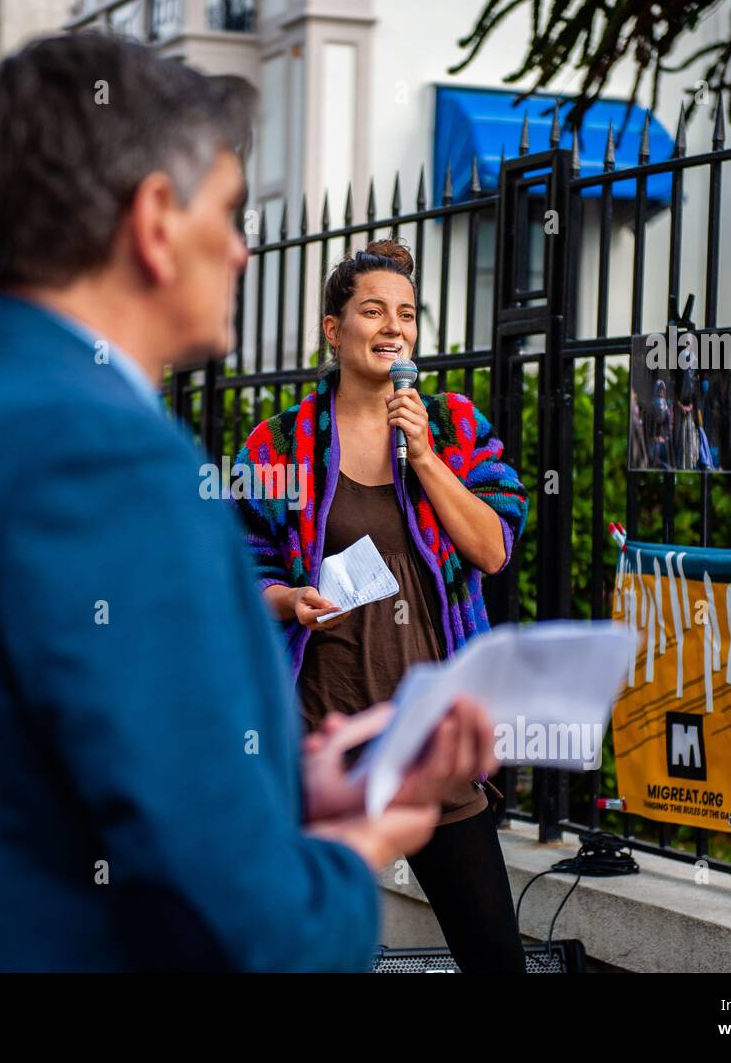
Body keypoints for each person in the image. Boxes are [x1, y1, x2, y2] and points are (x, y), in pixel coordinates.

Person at [0, 33, 498, 973]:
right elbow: (247, 927)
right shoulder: (112, 465)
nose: (243, 249)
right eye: (231, 212)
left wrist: (285, 792)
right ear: (157, 220)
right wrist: (353, 840)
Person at [232, 239, 530, 972]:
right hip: (318, 737)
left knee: (495, 956)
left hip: (427, 741)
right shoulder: (282, 443)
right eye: (373, 310)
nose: (392, 326)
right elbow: (236, 566)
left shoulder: (455, 427)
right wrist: (286, 597)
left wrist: (425, 457)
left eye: (406, 313)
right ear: (334, 330)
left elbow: (493, 547)